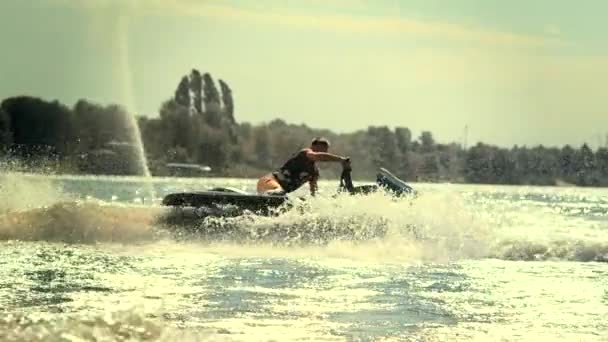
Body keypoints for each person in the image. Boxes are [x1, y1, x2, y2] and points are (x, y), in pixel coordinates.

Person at [257, 137, 350, 196]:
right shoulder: (305, 153)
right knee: (280, 192)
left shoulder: (313, 173)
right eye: (320, 149)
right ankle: (265, 198)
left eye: (325, 151)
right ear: (313, 146)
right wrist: (341, 159)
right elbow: (316, 156)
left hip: (279, 193)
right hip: (268, 181)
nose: (323, 153)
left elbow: (314, 193)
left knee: (282, 194)